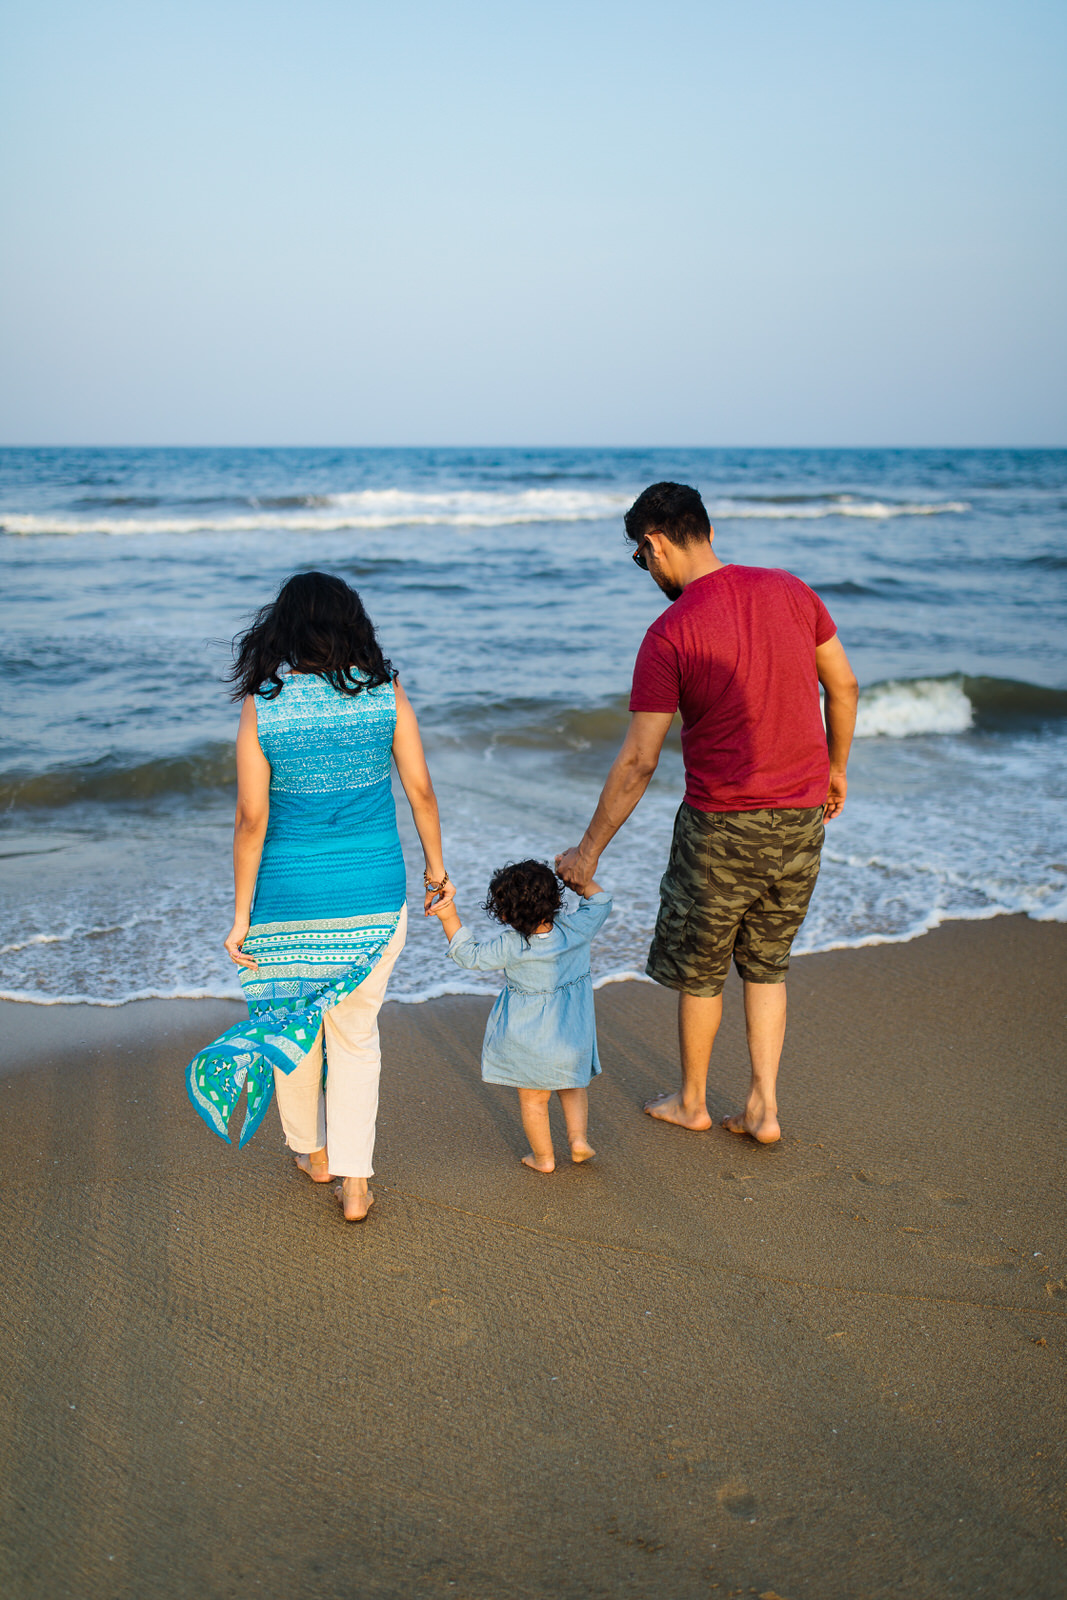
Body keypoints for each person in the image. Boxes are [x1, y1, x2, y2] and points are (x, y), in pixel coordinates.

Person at [556, 481, 858, 1145]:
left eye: (642, 558)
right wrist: (835, 769)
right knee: (767, 963)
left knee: (700, 969)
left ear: (655, 543)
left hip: (720, 825)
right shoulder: (790, 590)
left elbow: (638, 762)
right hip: (801, 816)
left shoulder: (671, 632)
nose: (647, 571)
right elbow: (842, 685)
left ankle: (692, 1100)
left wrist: (587, 852)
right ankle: (763, 1107)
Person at [186, 571, 453, 1222]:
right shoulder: (384, 695)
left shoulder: (266, 703)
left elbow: (251, 819)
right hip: (374, 893)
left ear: (285, 630)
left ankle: (312, 1153)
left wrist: (241, 913)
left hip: (288, 898)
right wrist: (436, 875)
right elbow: (420, 791)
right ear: (352, 624)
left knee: (292, 1026)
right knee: (357, 1038)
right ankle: (356, 1185)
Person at [429, 860, 612, 1173]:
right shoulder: (576, 929)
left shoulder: (510, 946)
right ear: (555, 899)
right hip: (572, 1035)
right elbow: (601, 901)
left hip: (529, 1041)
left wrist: (449, 915)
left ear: (504, 915)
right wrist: (578, 879)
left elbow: (468, 955)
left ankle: (544, 1158)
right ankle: (578, 1140)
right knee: (573, 1086)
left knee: (534, 1101)